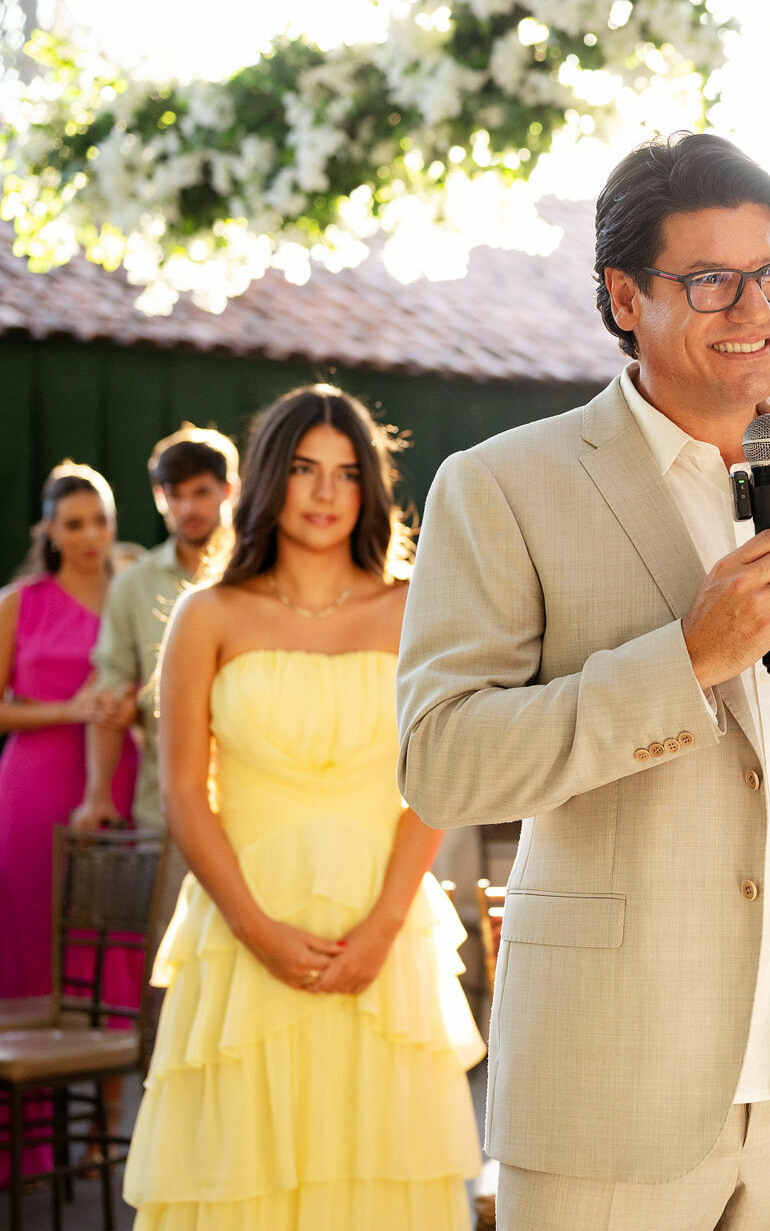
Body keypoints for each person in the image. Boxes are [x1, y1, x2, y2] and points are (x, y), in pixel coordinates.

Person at [395, 131, 770, 1230]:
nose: (756, 306)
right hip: (613, 1079)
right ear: (625, 296)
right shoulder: (499, 486)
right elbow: (441, 764)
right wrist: (684, 661)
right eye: (712, 279)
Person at [123, 385, 483, 1229]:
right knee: (235, 1182)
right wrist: (255, 929)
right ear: (268, 479)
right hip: (242, 933)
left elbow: (435, 776)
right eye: (305, 470)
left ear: (370, 490)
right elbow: (183, 792)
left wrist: (384, 928)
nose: (326, 493)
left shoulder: (414, 607)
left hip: (385, 935)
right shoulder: (206, 616)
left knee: (380, 1175)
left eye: (348, 473)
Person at [0, 462, 140, 1187]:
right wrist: (68, 709)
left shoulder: (136, 595)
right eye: (74, 522)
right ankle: (27, 1141)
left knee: (107, 953)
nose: (90, 536)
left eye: (101, 521)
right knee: (28, 952)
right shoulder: (18, 603)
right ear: (49, 529)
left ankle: (97, 1136)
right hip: (29, 791)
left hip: (111, 789)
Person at [75, 426, 238, 868]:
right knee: (166, 937)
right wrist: (97, 794)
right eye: (175, 494)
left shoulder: (261, 576)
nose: (188, 508)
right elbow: (111, 684)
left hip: (254, 809)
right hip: (163, 811)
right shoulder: (132, 586)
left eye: (201, 492)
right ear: (158, 496)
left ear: (229, 489)